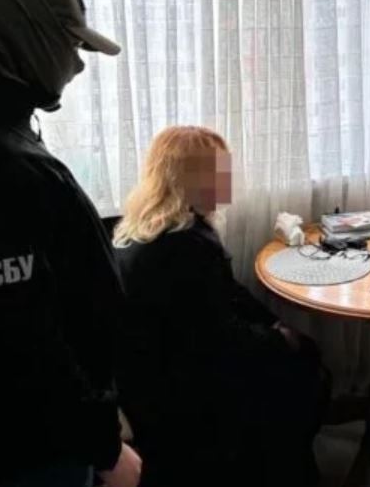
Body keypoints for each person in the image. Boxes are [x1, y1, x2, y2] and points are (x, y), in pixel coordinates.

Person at [0, 0, 141, 487]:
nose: (77, 65)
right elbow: (23, 340)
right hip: (37, 448)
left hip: (26, 435)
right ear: (30, 35)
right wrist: (105, 447)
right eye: (71, 45)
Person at [112, 126, 329, 487]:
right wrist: (281, 339)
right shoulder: (185, 247)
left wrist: (272, 324)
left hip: (152, 377)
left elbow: (226, 296)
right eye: (218, 171)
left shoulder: (145, 230)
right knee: (308, 366)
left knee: (296, 353)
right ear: (188, 179)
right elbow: (219, 340)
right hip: (184, 390)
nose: (227, 181)